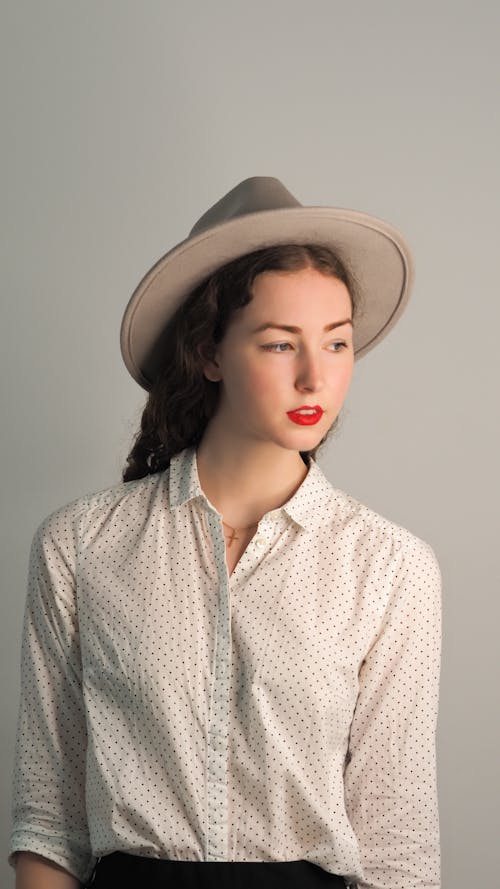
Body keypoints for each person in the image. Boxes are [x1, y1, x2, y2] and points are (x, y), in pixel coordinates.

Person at [8, 177, 442, 889]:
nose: (315, 377)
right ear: (210, 354)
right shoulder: (80, 545)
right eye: (280, 345)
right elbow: (48, 819)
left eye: (337, 343)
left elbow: (399, 851)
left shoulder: (390, 567)